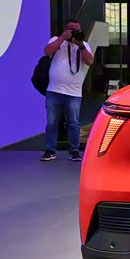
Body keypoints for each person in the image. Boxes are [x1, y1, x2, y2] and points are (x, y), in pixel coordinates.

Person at [40, 19, 94, 162]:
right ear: (65, 29)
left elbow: (90, 61)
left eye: (77, 29)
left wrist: (80, 45)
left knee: (73, 123)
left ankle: (74, 151)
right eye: (72, 29)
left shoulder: (84, 45)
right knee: (52, 122)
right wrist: (62, 38)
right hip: (54, 90)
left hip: (74, 92)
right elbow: (47, 51)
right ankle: (50, 150)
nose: (75, 32)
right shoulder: (56, 40)